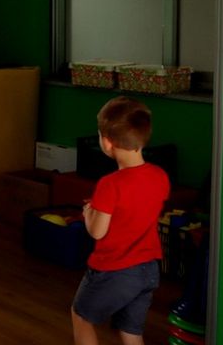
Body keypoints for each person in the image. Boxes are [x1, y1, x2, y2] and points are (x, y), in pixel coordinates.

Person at [72, 97, 169, 345]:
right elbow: (139, 211)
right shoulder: (160, 176)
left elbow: (97, 232)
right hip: (148, 270)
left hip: (115, 270)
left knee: (81, 316)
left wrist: (89, 213)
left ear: (107, 142)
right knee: (131, 331)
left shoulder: (110, 184)